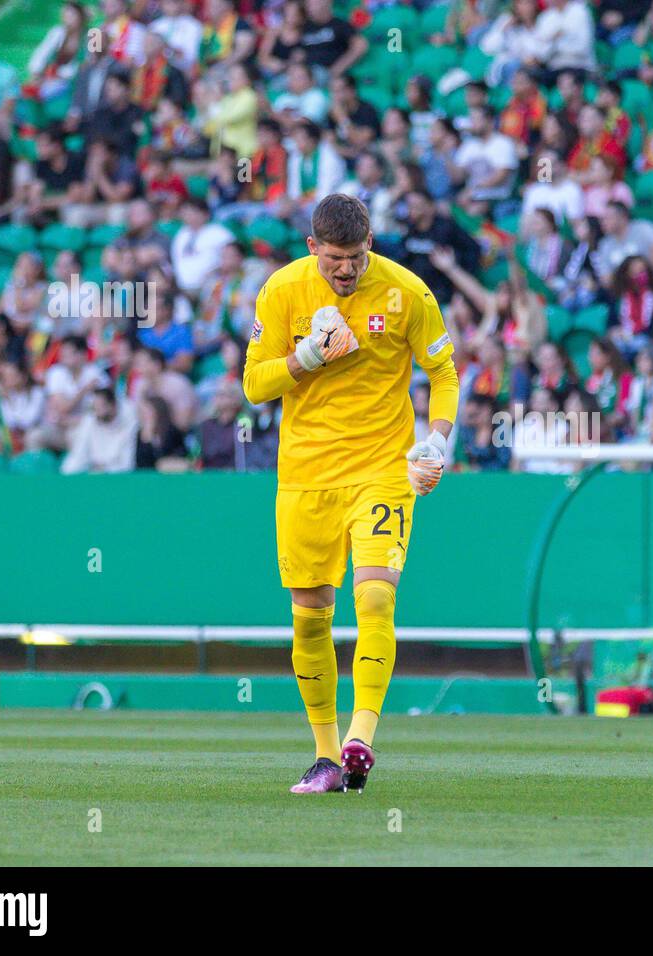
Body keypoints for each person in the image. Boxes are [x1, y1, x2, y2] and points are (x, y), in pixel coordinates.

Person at [242, 194, 459, 793]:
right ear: (313, 247)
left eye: (357, 257)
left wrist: (437, 441)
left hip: (382, 469)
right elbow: (254, 385)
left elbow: (444, 373)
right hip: (306, 476)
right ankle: (326, 756)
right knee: (311, 619)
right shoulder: (281, 292)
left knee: (375, 602)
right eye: (335, 258)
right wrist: (306, 355)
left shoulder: (407, 292)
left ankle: (360, 736)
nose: (347, 270)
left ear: (371, 244)